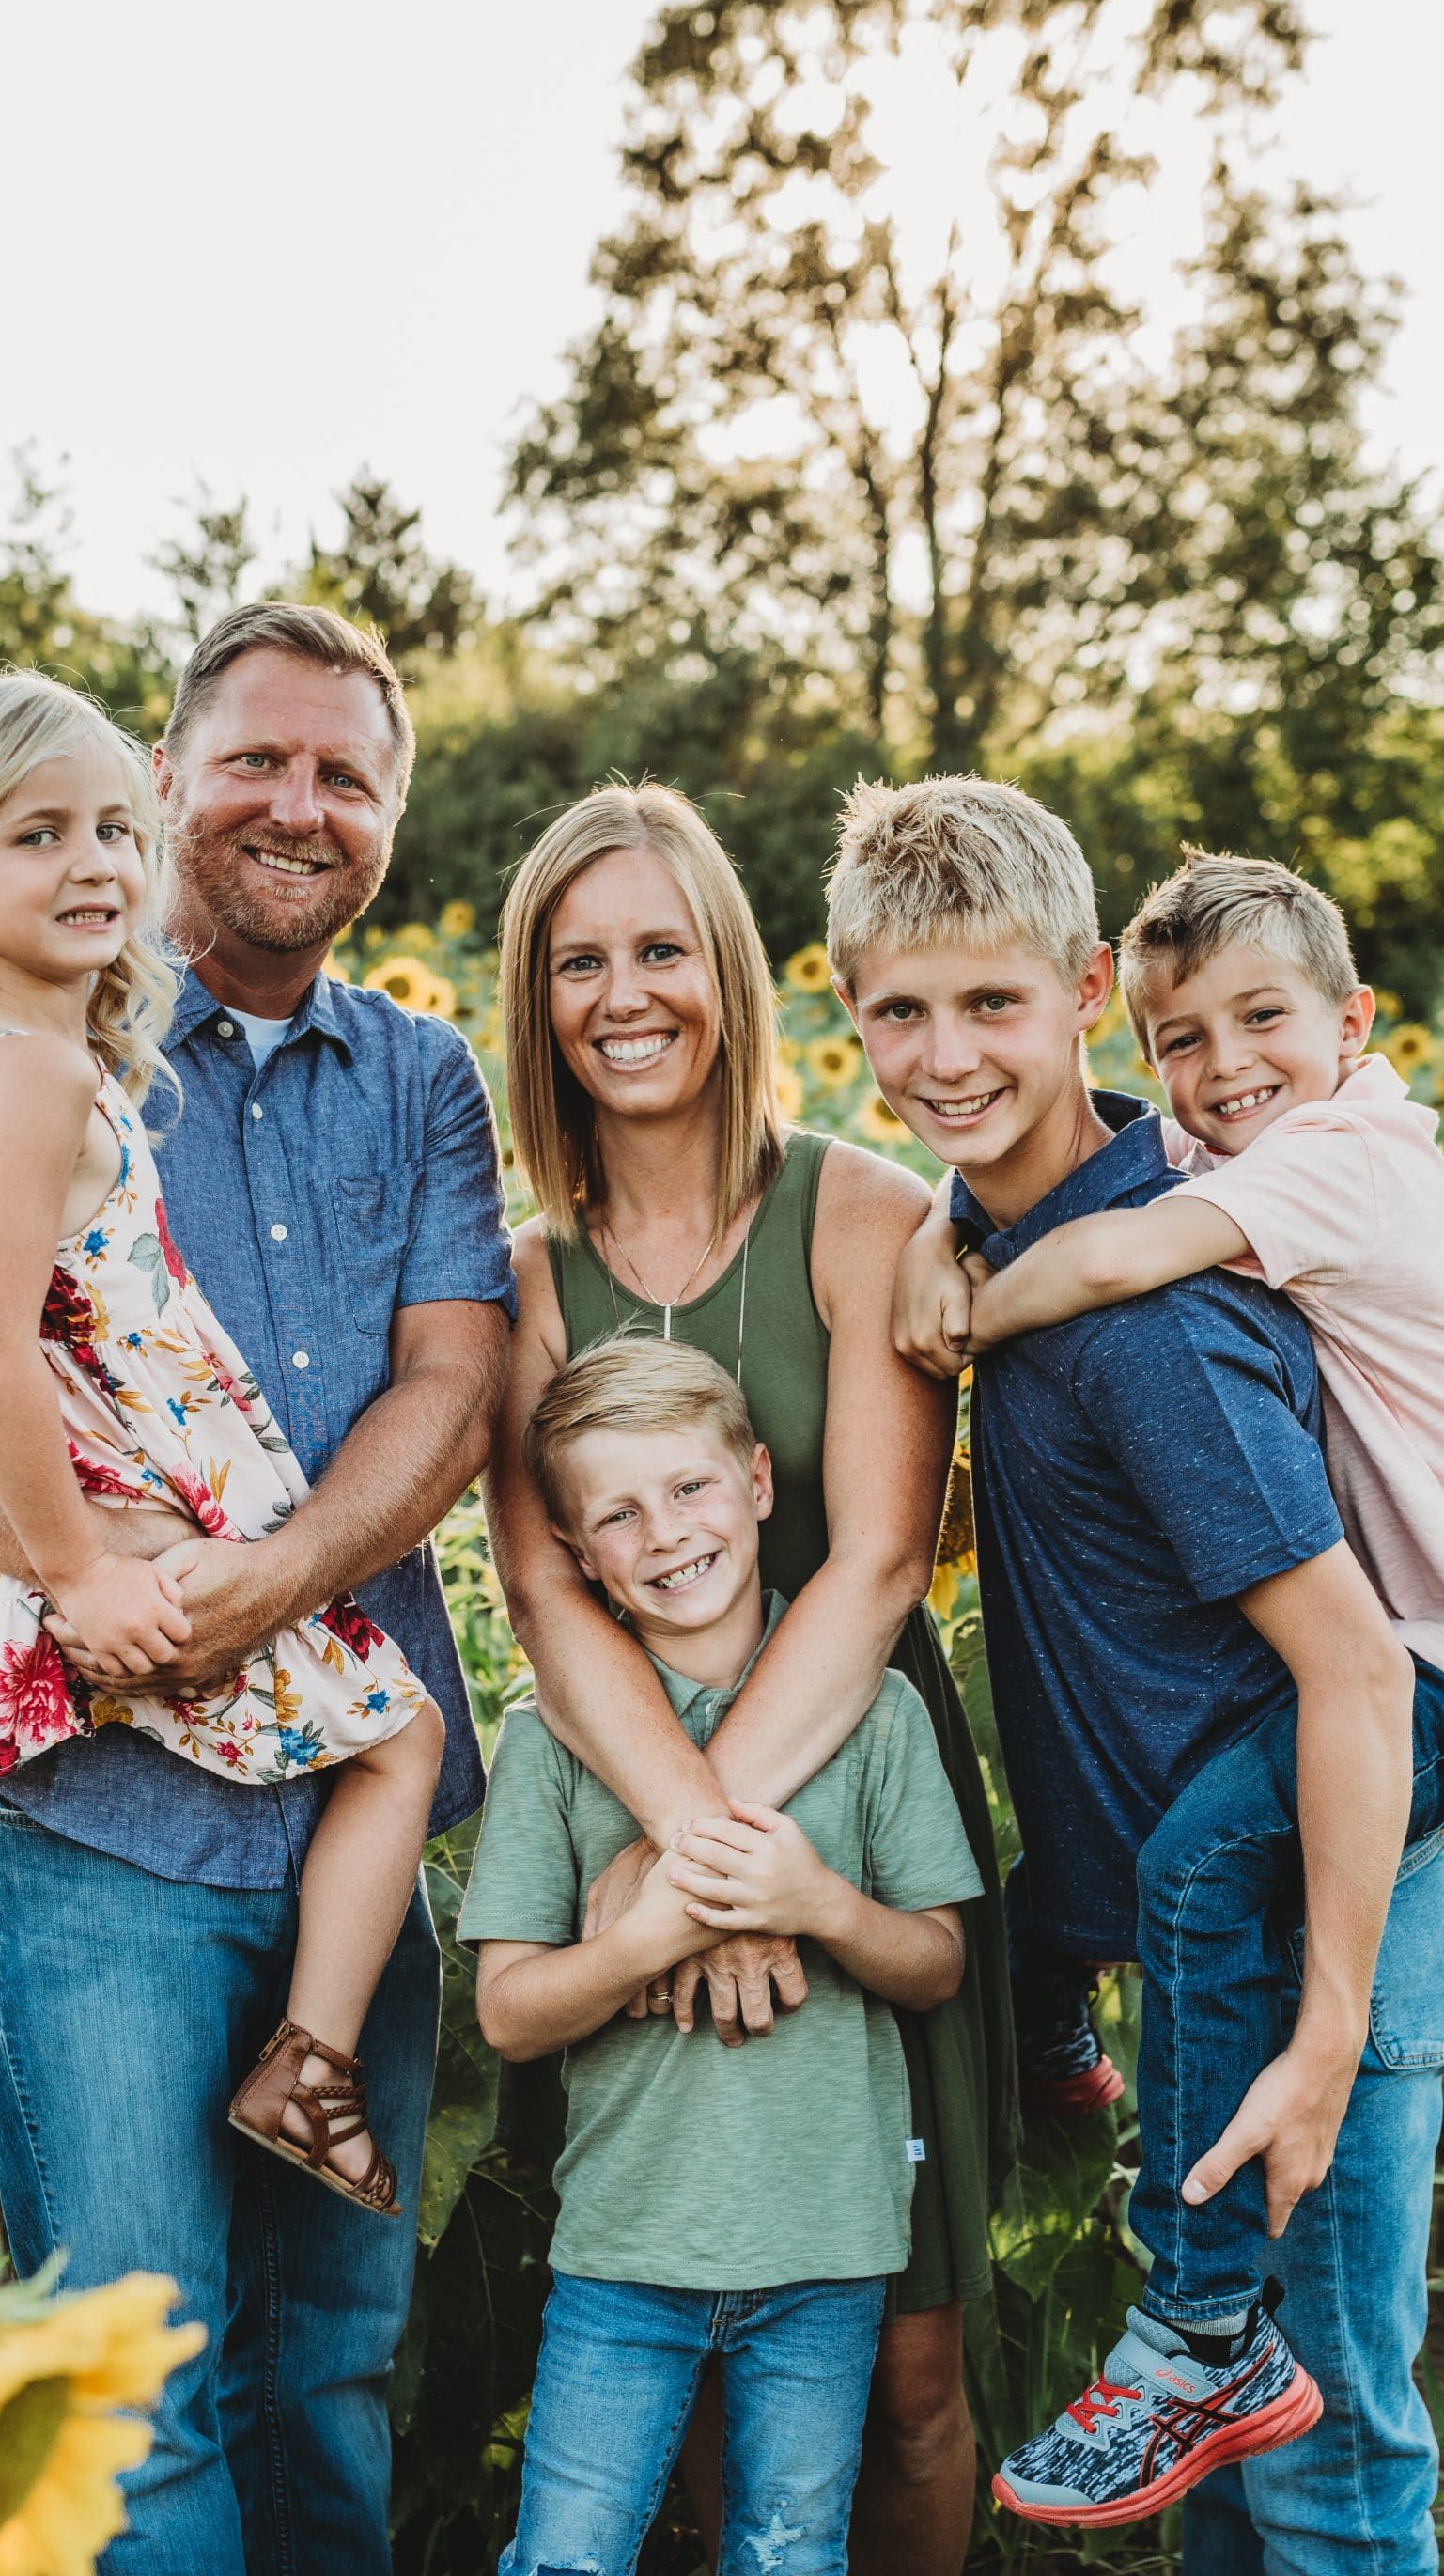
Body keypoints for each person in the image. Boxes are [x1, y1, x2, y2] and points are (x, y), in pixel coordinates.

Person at [0, 605, 514, 2576]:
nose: (299, 803)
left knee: (333, 2355)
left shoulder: (424, 1076)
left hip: (346, 1745)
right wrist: (92, 1576)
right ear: (171, 776)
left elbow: (455, 1382)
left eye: (347, 773)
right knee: (131, 2378)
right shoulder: (39, 1035)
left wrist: (265, 1582)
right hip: (96, 1810)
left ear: (390, 820)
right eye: (253, 758)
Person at [832, 773, 1444, 2568]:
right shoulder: (1030, 1240)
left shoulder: (1152, 1313)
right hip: (1222, 1937)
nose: (945, 1056)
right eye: (900, 1010)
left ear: (1086, 990)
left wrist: (1328, 2034)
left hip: (1307, 1948)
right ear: (850, 1012)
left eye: (993, 1005)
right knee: (1238, 2500)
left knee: (1332, 2484)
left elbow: (1353, 1675)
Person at [485, 784, 1015, 2573]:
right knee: (710, 2366)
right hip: (625, 1785)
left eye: (659, 948)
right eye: (579, 962)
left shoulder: (864, 1217)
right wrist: (690, 1866)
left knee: (914, 2370)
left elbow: (873, 1560)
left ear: (724, 966)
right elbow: (549, 1597)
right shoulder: (527, 1281)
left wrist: (728, 1866)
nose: (624, 994)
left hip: (855, 1798)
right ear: (535, 1002)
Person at [462, 1338, 980, 2576]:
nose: (666, 1534)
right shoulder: (553, 1743)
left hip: (828, 2246)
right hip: (626, 2250)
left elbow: (937, 1965)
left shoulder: (876, 1710)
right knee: (567, 2552)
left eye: (690, 1489)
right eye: (619, 1515)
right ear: (578, 1556)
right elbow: (509, 2015)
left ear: (756, 1482)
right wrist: (639, 1940)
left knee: (790, 2549)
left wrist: (817, 1903)